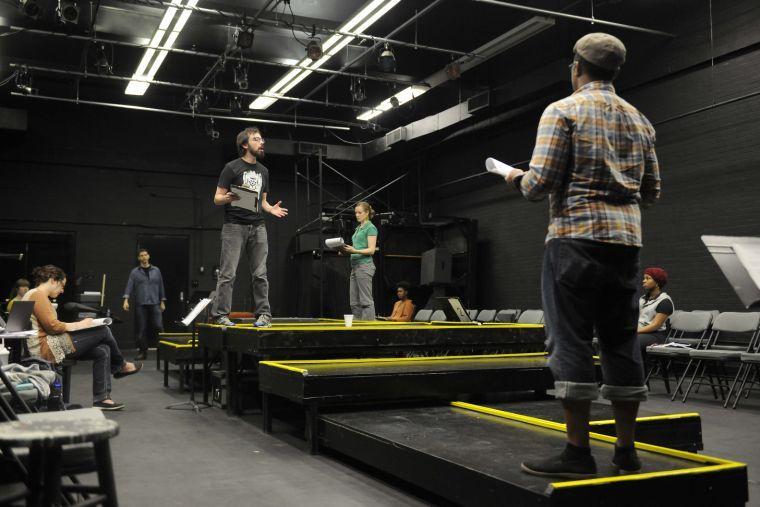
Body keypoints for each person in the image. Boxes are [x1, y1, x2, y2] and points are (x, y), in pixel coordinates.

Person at [502, 33, 661, 478]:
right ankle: (627, 453)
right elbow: (651, 193)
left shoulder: (562, 110)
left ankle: (577, 452)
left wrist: (513, 175)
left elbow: (538, 186)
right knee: (620, 342)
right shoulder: (641, 120)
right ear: (616, 71)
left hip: (573, 240)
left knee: (569, 340)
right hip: (626, 246)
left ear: (575, 67)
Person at [23, 265, 141, 410]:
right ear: (53, 280)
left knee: (103, 350)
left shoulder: (31, 294)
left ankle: (102, 399)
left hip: (47, 345)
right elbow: (53, 327)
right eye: (62, 285)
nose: (62, 290)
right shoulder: (38, 295)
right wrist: (81, 325)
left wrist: (78, 326)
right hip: (47, 348)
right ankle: (121, 366)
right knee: (103, 330)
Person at [210, 127, 288, 327]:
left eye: (262, 139)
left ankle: (264, 315)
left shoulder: (264, 171)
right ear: (245, 144)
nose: (261, 142)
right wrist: (226, 197)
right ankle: (221, 315)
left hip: (258, 227)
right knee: (228, 274)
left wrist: (270, 209)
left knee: (260, 274)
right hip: (234, 226)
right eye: (256, 139)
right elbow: (217, 198)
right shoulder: (231, 168)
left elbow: (262, 201)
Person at [122, 248, 166, 360]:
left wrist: (162, 301)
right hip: (141, 304)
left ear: (149, 256)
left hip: (155, 302)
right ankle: (143, 352)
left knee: (159, 326)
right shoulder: (135, 272)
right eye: (141, 255)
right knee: (141, 329)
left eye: (145, 255)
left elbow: (161, 286)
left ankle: (163, 351)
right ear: (139, 258)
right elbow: (129, 286)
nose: (144, 257)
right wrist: (126, 300)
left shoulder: (156, 270)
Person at [341, 201, 378, 321]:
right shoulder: (358, 228)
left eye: (359, 212)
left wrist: (354, 250)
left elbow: (372, 250)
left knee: (365, 301)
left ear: (367, 213)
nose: (357, 215)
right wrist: (345, 250)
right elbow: (358, 247)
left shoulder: (371, 228)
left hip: (365, 266)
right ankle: (358, 328)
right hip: (355, 266)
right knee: (354, 301)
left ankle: (369, 329)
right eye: (356, 212)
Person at [637, 267, 673, 359]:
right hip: (641, 333)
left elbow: (655, 325)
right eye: (644, 278)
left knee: (632, 341)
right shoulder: (643, 299)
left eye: (648, 278)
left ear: (657, 282)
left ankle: (639, 373)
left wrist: (634, 331)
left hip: (656, 335)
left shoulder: (665, 301)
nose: (644, 281)